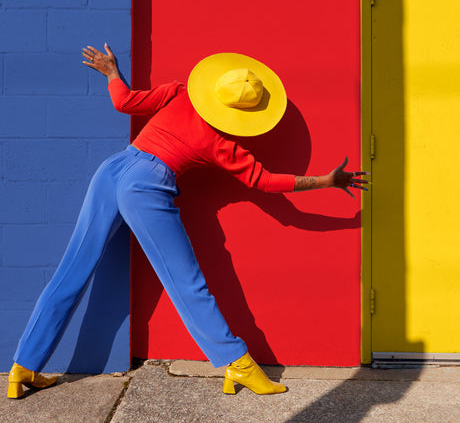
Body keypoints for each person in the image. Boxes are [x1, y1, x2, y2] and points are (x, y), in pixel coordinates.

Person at [8, 45, 368, 399]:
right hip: (146, 187)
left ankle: (24, 366)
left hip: (113, 169)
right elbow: (265, 181)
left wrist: (112, 74)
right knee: (187, 282)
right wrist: (325, 181)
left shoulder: (178, 92)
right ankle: (237, 362)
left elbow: (124, 103)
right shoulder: (219, 142)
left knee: (72, 270)